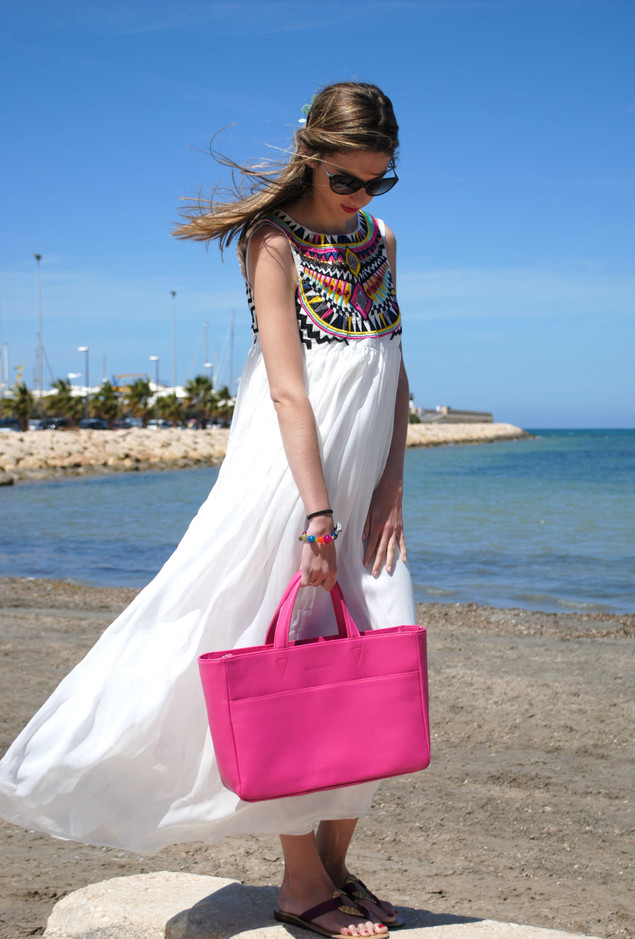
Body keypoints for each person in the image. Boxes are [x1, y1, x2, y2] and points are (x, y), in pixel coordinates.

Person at [0, 82, 415, 939]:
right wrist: (318, 518)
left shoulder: (379, 240)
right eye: (349, 180)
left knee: (374, 672)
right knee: (287, 667)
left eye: (380, 181)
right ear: (312, 156)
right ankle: (302, 883)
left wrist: (389, 491)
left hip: (361, 488)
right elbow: (291, 396)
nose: (364, 198)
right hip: (291, 484)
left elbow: (396, 369)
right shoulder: (273, 244)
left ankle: (336, 869)